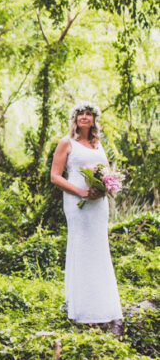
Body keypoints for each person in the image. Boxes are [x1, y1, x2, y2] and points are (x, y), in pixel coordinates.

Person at [50, 101, 123, 334]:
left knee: (100, 250)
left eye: (89, 114)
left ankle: (107, 309)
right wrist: (81, 192)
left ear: (93, 120)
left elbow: (107, 172)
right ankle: (83, 311)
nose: (84, 117)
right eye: (80, 113)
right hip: (77, 204)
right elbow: (55, 176)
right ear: (75, 118)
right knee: (82, 249)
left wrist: (105, 188)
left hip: (98, 206)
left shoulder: (98, 144)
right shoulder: (66, 143)